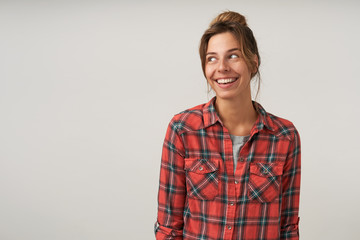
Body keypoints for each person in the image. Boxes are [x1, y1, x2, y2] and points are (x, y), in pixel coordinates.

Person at [155, 10, 301, 240]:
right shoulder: (183, 130)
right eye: (212, 58)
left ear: (254, 62)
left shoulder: (284, 136)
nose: (221, 67)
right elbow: (168, 227)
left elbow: (288, 228)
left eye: (233, 56)